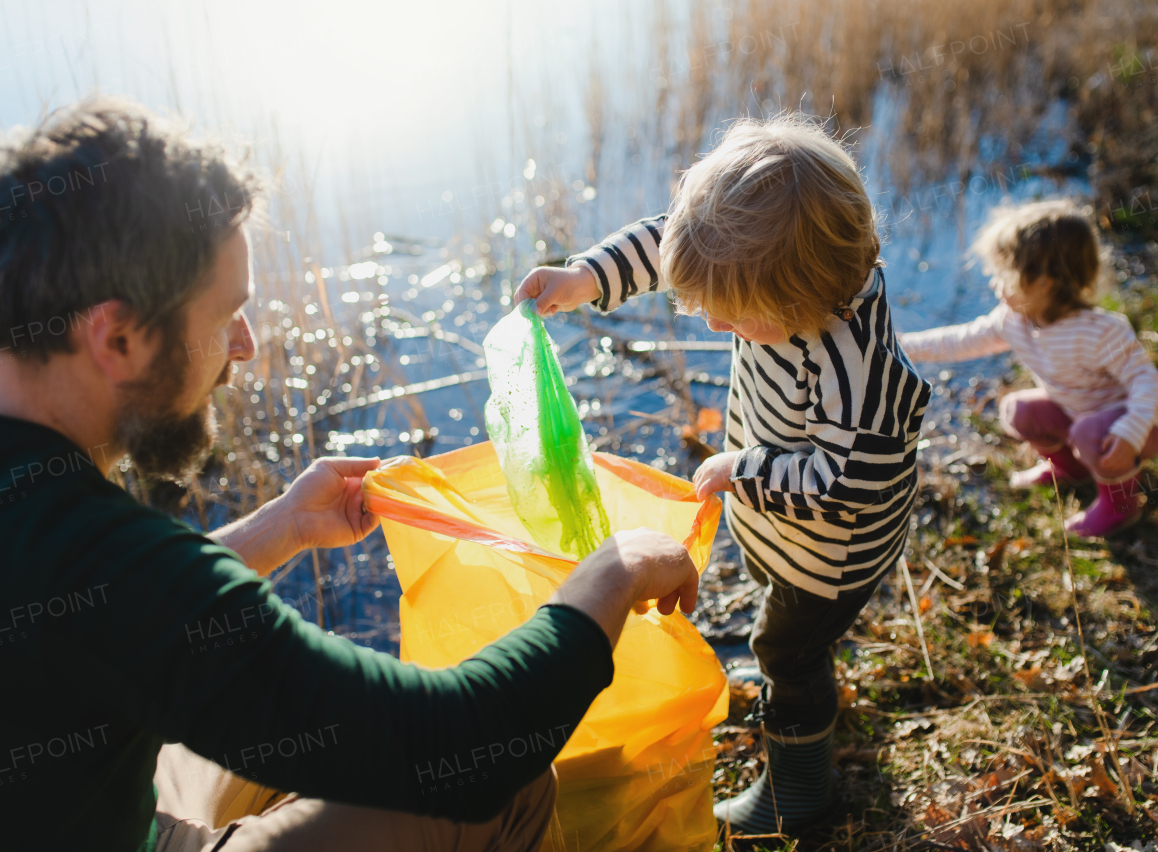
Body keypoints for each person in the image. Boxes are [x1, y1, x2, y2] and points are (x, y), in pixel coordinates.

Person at [0, 97, 701, 852]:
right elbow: (462, 743)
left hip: (96, 806)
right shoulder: (96, 552)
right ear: (120, 335)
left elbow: (113, 620)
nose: (245, 346)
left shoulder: (62, 533)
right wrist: (613, 571)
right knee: (504, 784)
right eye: (226, 315)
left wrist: (280, 527)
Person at [515, 115, 931, 834]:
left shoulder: (853, 369)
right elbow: (669, 244)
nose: (714, 326)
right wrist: (584, 276)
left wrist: (746, 467)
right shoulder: (778, 270)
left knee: (786, 647)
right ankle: (802, 685)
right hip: (782, 527)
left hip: (832, 553)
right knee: (777, 605)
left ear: (803, 300)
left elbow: (844, 484)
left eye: (736, 318)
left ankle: (799, 791)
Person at [897, 200, 1158, 537]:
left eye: (1002, 275)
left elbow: (1147, 382)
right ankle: (1070, 469)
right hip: (1079, 416)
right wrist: (901, 344)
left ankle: (1120, 506)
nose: (993, 284)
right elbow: (961, 340)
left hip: (1142, 424)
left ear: (1043, 282)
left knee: (1088, 432)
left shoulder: (1102, 331)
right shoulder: (1013, 320)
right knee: (1019, 411)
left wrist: (1130, 432)